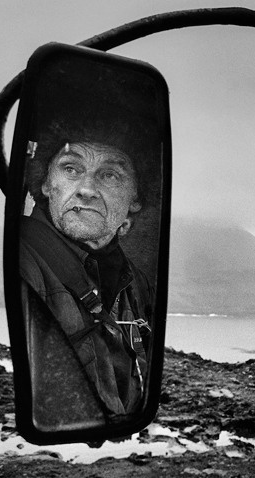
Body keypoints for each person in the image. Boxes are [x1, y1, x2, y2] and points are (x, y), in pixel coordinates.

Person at [19, 121, 155, 427]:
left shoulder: (134, 281)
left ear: (135, 198)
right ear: (46, 184)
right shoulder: (25, 260)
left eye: (109, 175)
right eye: (70, 169)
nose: (86, 190)